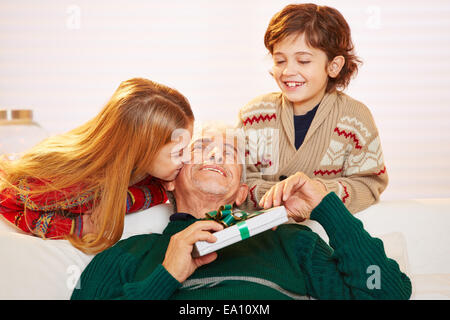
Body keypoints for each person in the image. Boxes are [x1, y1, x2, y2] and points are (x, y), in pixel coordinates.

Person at [71, 126, 411, 300]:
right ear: (170, 180)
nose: (216, 156)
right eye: (202, 148)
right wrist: (164, 277)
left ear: (242, 192)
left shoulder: (292, 243)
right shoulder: (129, 252)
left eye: (229, 153)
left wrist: (326, 206)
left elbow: (385, 292)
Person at [0, 78, 194, 254]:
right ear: (139, 152)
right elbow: (13, 204)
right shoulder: (73, 189)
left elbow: (152, 190)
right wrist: (76, 227)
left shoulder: (146, 174)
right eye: (178, 153)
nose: (187, 158)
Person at [237, 3, 388, 215]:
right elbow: (237, 182)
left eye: (304, 61)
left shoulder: (355, 119)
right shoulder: (253, 115)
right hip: (266, 239)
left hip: (325, 238)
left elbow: (369, 184)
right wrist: (279, 196)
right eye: (280, 60)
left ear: (333, 66)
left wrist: (322, 192)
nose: (288, 71)